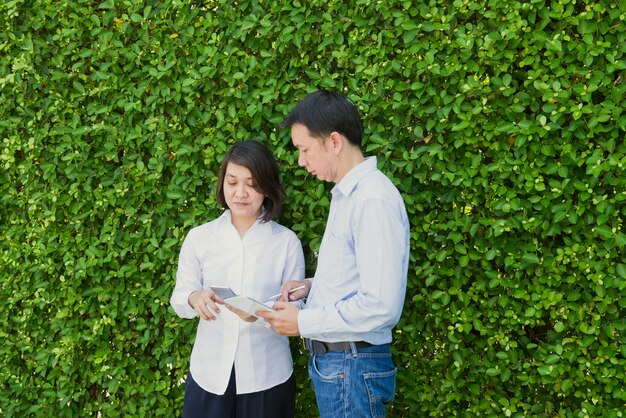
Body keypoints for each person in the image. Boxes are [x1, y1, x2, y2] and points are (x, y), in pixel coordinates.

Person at [257, 90, 410, 418]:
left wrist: (302, 320)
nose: (301, 161)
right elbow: (359, 277)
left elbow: (379, 305)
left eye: (304, 149)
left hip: (351, 366)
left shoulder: (371, 200)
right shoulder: (348, 196)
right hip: (344, 366)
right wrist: (314, 286)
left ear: (335, 142)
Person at [170, 140, 305, 418]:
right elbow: (180, 296)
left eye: (252, 184)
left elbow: (298, 309)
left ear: (267, 187)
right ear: (222, 184)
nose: (240, 193)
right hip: (210, 372)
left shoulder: (286, 242)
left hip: (267, 374)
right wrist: (195, 298)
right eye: (232, 182)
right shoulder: (200, 237)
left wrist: (259, 313)